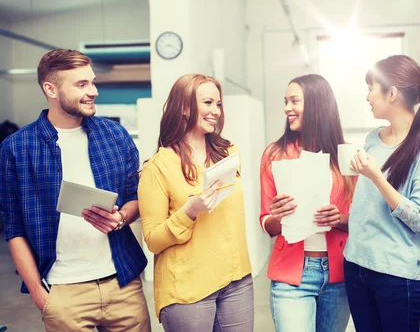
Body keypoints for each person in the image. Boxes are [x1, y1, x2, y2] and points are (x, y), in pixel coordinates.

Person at [0, 49, 150, 331]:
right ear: (50, 89)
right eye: (81, 85)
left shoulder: (115, 136)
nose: (92, 91)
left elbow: (136, 197)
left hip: (122, 282)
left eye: (92, 82)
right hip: (63, 290)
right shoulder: (16, 148)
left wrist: (120, 219)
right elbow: (14, 227)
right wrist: (38, 293)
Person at [138, 74, 253, 332]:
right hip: (188, 290)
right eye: (208, 103)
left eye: (218, 104)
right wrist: (189, 211)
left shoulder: (229, 153)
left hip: (237, 279)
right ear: (185, 107)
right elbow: (153, 239)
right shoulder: (158, 167)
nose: (216, 111)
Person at [343, 55, 420, 332]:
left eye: (371, 87)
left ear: (391, 93)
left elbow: (418, 218)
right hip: (356, 265)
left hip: (395, 276)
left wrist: (377, 177)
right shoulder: (372, 138)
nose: (367, 95)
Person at [259, 74, 356, 332]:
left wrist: (340, 219)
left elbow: (361, 219)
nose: (287, 108)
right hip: (292, 276)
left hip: (339, 276)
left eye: (294, 101)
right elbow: (265, 222)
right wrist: (278, 217)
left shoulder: (345, 153)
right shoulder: (274, 154)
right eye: (285, 101)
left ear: (316, 104)